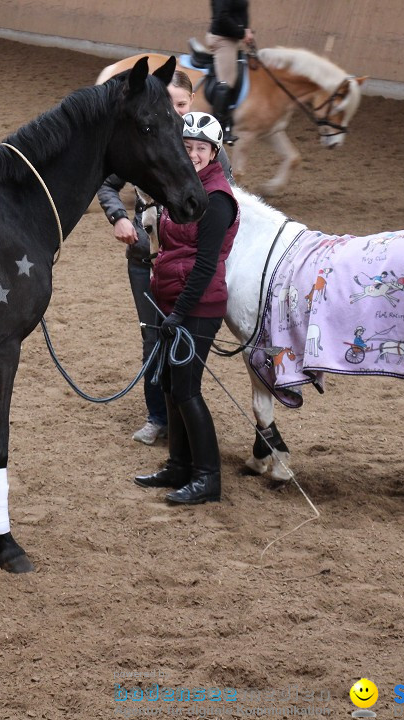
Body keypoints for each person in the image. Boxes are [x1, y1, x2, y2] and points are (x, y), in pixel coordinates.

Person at [133, 112, 239, 504]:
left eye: (201, 148)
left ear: (214, 152)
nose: (193, 154)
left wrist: (180, 312)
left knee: (188, 390)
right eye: (187, 146)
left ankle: (208, 477)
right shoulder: (181, 189)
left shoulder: (217, 199)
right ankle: (178, 466)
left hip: (198, 305)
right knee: (170, 386)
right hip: (171, 300)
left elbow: (206, 263)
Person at [97, 71, 196, 446]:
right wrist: (119, 216)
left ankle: (183, 416)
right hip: (146, 257)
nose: (175, 112)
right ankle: (157, 415)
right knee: (151, 336)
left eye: (181, 105)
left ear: (192, 102)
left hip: (186, 261)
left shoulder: (204, 145)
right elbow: (108, 184)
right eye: (169, 105)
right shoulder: (146, 140)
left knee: (185, 338)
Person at [206, 0, 254, 145]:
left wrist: (246, 30)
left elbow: (240, 12)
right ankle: (218, 128)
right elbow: (222, 17)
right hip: (223, 39)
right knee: (227, 82)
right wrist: (241, 32)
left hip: (233, 37)